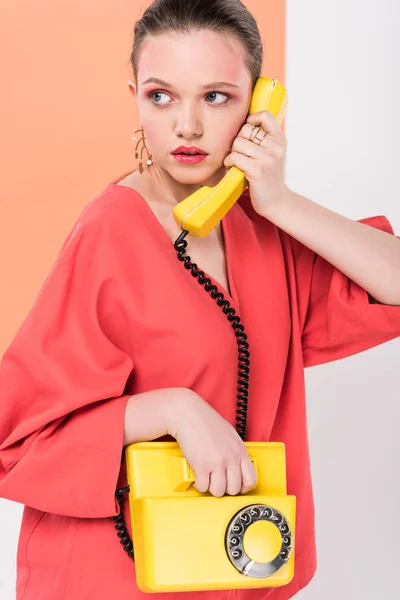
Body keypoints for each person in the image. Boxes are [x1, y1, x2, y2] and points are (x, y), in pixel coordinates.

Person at [1, 0, 400, 598]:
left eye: (216, 96)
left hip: (228, 571)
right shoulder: (110, 230)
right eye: (161, 96)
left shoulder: (264, 230)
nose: (186, 125)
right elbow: (18, 440)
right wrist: (172, 409)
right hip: (111, 576)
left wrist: (282, 203)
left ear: (259, 102)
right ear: (135, 94)